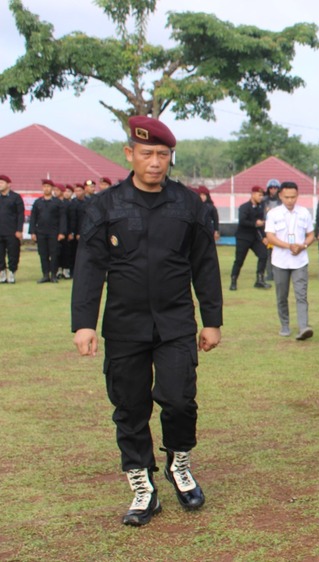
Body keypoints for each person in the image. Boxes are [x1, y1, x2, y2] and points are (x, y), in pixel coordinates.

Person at [71, 116, 222, 526]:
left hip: (174, 322)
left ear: (170, 157)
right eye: (146, 154)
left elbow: (204, 265)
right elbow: (89, 266)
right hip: (124, 325)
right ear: (129, 154)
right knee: (129, 406)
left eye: (162, 154)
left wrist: (212, 320)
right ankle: (142, 486)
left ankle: (179, 463)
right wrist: (84, 323)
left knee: (178, 399)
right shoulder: (105, 205)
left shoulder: (188, 204)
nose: (155, 162)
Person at [265, 181, 315, 340]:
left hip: (300, 260)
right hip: (280, 261)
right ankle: (285, 325)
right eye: (287, 197)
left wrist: (303, 245)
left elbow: (311, 234)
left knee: (301, 295)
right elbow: (270, 237)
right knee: (282, 296)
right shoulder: (273, 214)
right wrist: (288, 246)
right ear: (280, 196)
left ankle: (303, 327)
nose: (290, 200)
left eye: (293, 197)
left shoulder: (304, 213)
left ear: (297, 195)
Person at [230, 186, 270, 290]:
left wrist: (264, 237)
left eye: (262, 195)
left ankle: (259, 280)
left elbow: (261, 225)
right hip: (243, 237)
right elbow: (242, 221)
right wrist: (255, 223)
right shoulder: (244, 207)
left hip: (255, 238)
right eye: (259, 195)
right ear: (253, 194)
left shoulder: (261, 208)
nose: (261, 197)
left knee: (263, 254)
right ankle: (233, 281)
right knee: (239, 260)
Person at [29, 179, 66, 283]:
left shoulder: (57, 202)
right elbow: (33, 218)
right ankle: (45, 274)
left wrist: (62, 232)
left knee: (54, 254)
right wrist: (32, 232)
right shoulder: (38, 202)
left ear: (52, 189)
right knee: (43, 254)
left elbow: (63, 218)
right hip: (41, 232)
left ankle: (53, 275)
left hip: (54, 232)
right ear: (42, 188)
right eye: (44, 186)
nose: (46, 188)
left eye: (48, 187)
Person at [0, 174, 24, 284]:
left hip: (12, 231)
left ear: (8, 184)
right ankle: (2, 273)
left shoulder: (15, 197)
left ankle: (11, 272)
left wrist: (19, 230)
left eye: (2, 182)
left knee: (13, 253)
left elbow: (20, 214)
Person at [263, 179, 282, 282]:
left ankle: (278, 274)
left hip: (279, 230)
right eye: (271, 188)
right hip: (268, 230)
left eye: (275, 188)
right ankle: (269, 274)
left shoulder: (281, 201)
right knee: (268, 254)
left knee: (279, 253)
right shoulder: (264, 201)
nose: (273, 190)